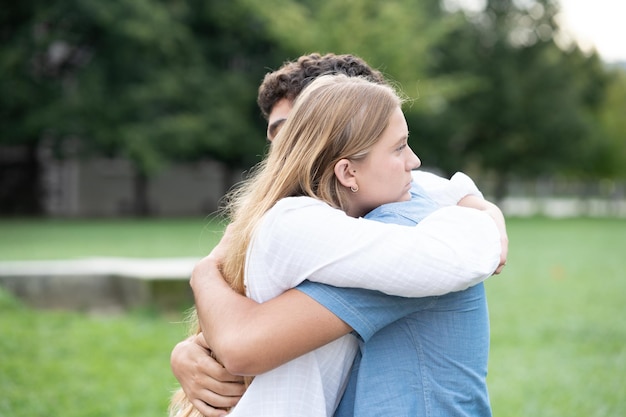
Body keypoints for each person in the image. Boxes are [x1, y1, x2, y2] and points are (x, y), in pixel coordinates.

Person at [169, 74, 505, 417]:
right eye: (277, 134)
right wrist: (486, 225)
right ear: (346, 171)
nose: (283, 149)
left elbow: (430, 193)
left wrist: (480, 208)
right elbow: (447, 257)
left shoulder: (377, 213)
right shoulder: (298, 222)